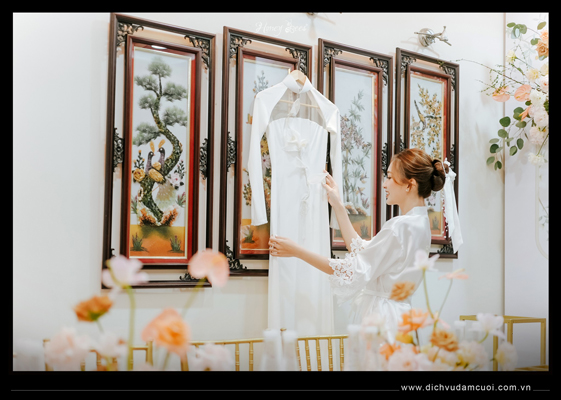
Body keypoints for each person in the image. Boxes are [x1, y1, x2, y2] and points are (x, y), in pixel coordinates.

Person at [268, 148, 448, 341]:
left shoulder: (399, 227)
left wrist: (297, 251)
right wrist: (338, 205)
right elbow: (362, 250)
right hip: (401, 318)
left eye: (389, 177)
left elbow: (352, 270)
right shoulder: (420, 223)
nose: (384, 184)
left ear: (409, 184)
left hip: (383, 321)